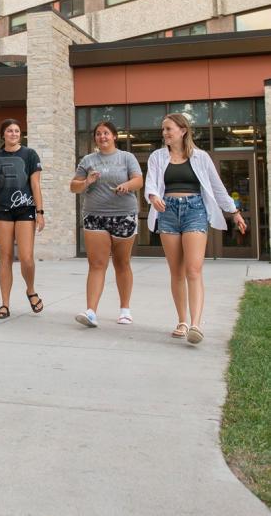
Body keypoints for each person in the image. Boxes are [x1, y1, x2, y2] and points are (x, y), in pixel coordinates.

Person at [145, 112, 247, 345]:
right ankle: (182, 320)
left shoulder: (201, 157)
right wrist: (153, 196)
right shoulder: (157, 157)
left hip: (195, 211)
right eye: (163, 130)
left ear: (182, 130)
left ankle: (196, 324)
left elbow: (217, 188)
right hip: (167, 212)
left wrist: (234, 213)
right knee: (177, 271)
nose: (164, 134)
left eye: (168, 129)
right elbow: (151, 182)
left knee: (193, 269)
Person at [70, 121, 143, 328]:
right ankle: (91, 311)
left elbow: (138, 180)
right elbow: (73, 186)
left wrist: (126, 185)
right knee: (96, 264)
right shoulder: (88, 160)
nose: (102, 137)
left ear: (114, 136)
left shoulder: (126, 157)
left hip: (124, 215)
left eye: (106, 133)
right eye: (99, 134)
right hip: (95, 216)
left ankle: (125, 310)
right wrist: (87, 182)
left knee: (122, 263)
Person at [0, 118, 45, 320]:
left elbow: (35, 185)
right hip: (2, 210)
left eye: (17, 131)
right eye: (10, 130)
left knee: (26, 257)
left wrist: (40, 212)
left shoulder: (29, 154)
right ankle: (5, 304)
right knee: (5, 257)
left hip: (25, 208)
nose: (14, 134)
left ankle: (31, 289)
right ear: (3, 134)